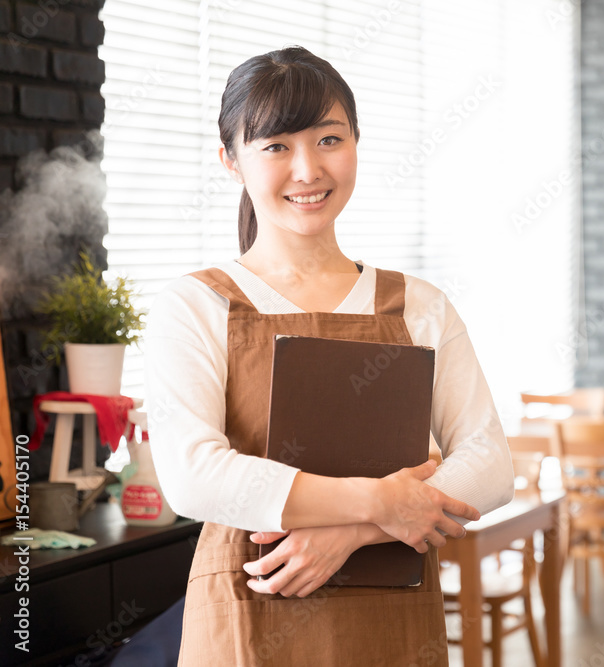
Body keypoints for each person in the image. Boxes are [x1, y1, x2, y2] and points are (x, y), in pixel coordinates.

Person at [144, 45, 515, 666]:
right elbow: (193, 476)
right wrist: (380, 502)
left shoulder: (419, 304)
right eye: (276, 147)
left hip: (392, 613)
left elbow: (491, 463)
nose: (308, 169)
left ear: (356, 143)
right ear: (230, 162)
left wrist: (355, 533)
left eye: (328, 139)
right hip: (250, 601)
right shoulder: (196, 304)